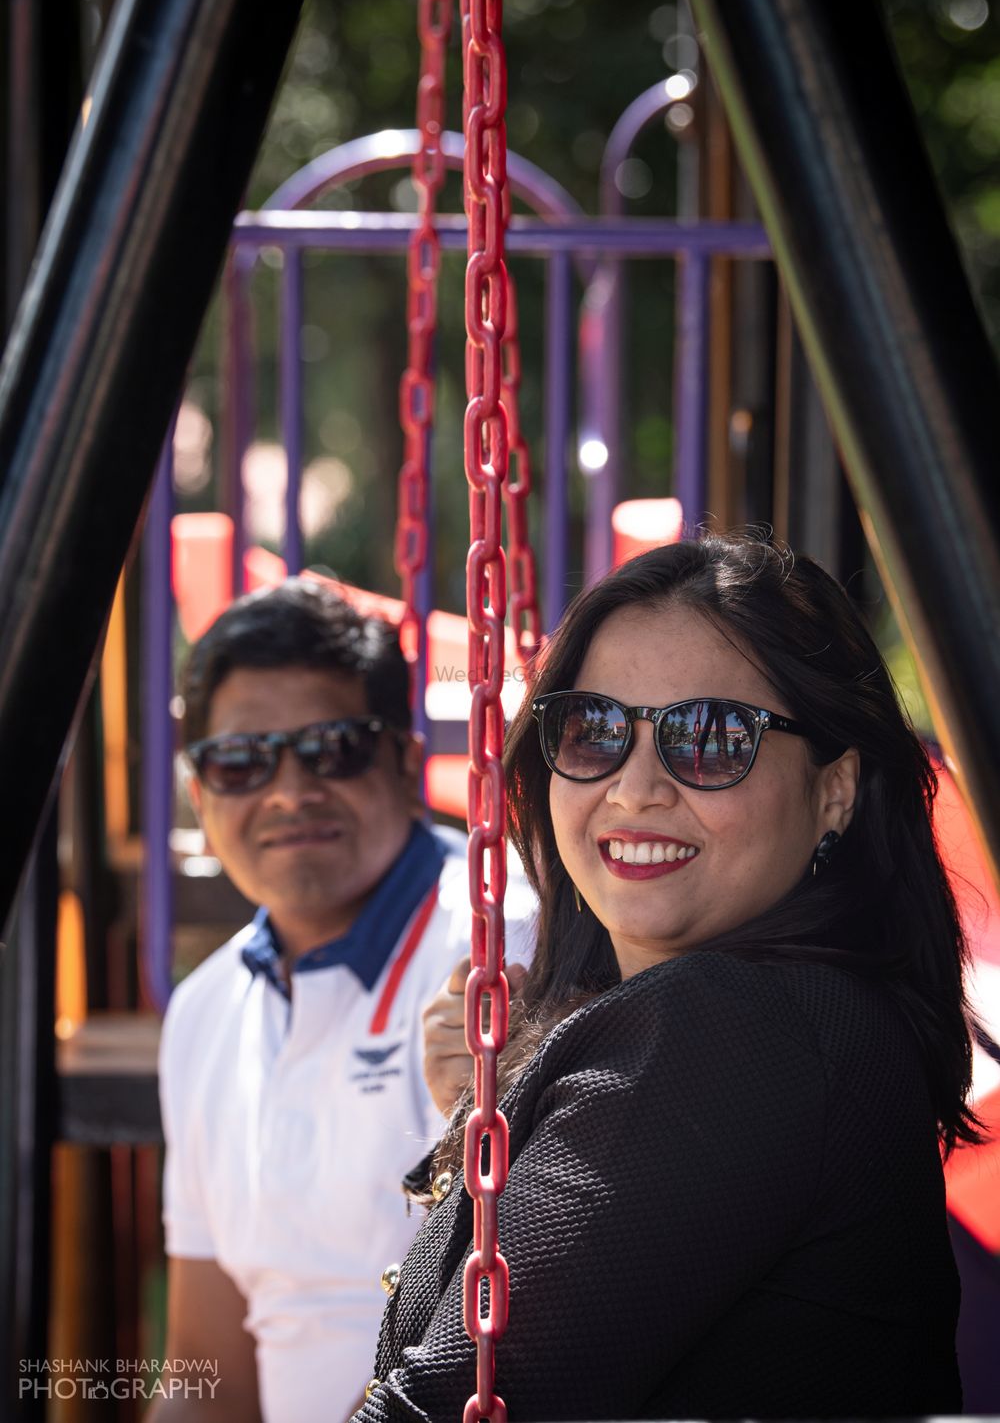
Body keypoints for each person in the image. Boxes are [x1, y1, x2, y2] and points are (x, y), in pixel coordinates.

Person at [353, 532, 977, 1421]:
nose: (635, 788)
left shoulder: (738, 1033)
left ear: (834, 790)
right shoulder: (798, 1020)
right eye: (594, 729)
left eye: (713, 737)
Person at [153, 579, 534, 1422]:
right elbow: (205, 1373)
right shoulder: (203, 1013)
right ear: (199, 794)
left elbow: (509, 1328)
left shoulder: (500, 942)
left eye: (333, 749)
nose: (289, 791)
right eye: (242, 761)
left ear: (403, 765)